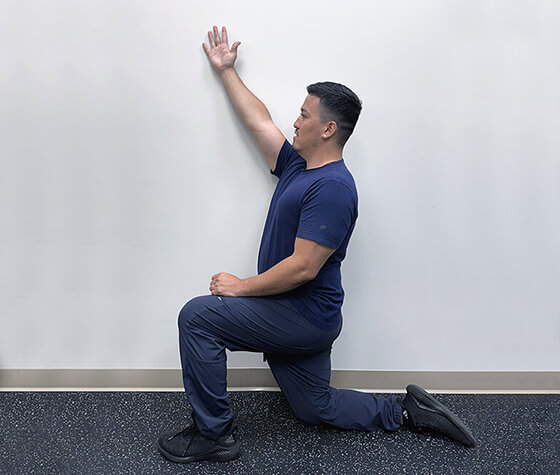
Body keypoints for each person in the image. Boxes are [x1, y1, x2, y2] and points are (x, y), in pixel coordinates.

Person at [157, 25, 476, 464]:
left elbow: (305, 267)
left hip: (302, 315)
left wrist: (240, 287)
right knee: (314, 408)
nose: (295, 120)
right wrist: (227, 71)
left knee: (198, 317)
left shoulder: (333, 188)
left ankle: (214, 436)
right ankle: (407, 412)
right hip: (298, 315)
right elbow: (259, 121)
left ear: (328, 128)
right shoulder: (299, 167)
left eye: (304, 115)